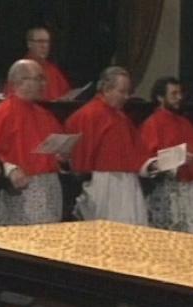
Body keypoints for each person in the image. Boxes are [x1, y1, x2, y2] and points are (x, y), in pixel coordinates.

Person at [0, 59, 65, 225]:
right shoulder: (0, 114)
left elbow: (55, 149)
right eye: (39, 78)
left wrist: (61, 155)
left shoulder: (45, 115)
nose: (44, 84)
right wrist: (11, 170)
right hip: (19, 191)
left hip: (49, 186)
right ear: (20, 81)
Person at [64, 66, 153, 225]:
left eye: (128, 92)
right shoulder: (88, 115)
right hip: (103, 185)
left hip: (128, 183)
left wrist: (152, 164)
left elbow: (137, 152)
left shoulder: (121, 116)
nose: (126, 97)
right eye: (122, 91)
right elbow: (78, 158)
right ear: (106, 89)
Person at [139, 76, 193, 234]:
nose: (179, 97)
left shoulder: (185, 122)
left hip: (189, 188)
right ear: (160, 97)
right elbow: (148, 160)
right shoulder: (152, 124)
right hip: (166, 189)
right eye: (174, 94)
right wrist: (176, 158)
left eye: (180, 93)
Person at [5, 27, 71, 101]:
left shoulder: (53, 70)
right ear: (29, 44)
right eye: (40, 41)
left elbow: (66, 94)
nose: (45, 46)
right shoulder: (20, 70)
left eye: (47, 42)